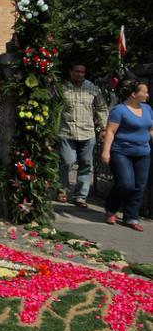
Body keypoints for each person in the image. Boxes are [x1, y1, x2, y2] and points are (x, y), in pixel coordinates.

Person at [101, 80, 153, 231]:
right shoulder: (119, 110)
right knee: (125, 184)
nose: (148, 94)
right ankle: (111, 209)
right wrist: (106, 151)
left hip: (143, 153)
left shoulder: (148, 109)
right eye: (145, 92)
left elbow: (150, 129)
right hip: (121, 152)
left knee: (139, 186)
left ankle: (131, 217)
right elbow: (110, 131)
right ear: (134, 94)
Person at [57, 61, 108, 208]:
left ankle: (80, 196)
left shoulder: (92, 88)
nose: (80, 74)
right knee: (67, 161)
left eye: (82, 72)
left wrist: (104, 127)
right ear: (70, 72)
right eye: (77, 71)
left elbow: (101, 108)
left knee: (86, 164)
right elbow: (53, 108)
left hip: (87, 132)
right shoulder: (62, 88)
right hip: (66, 132)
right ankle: (63, 189)